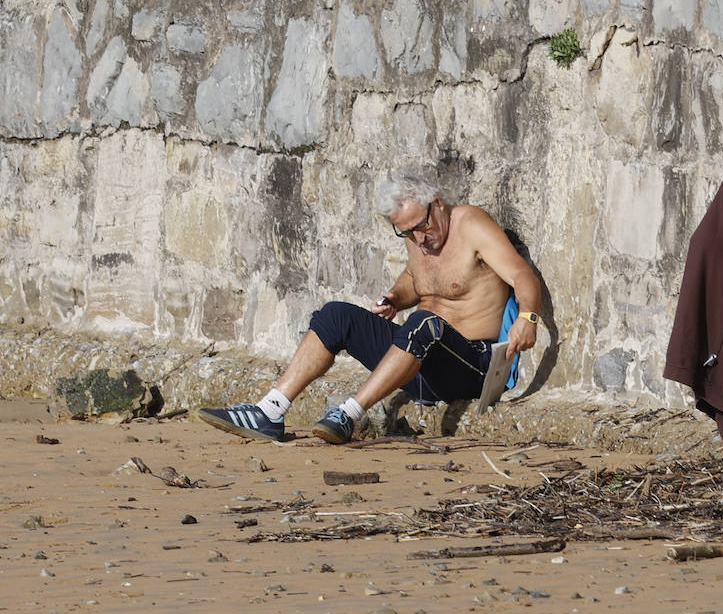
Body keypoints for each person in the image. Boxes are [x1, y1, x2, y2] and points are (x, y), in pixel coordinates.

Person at [198, 169, 543, 444]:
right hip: (421, 367)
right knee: (335, 316)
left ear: (437, 203)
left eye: (421, 227)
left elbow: (521, 273)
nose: (419, 239)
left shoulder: (470, 224)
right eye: (406, 233)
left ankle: (348, 414)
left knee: (424, 322)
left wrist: (528, 317)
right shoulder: (416, 237)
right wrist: (394, 297)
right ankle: (269, 411)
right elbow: (417, 281)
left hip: (470, 365)